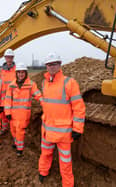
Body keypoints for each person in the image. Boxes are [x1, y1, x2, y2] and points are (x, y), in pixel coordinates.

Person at [38, 53, 86, 187]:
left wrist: (77, 128)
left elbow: (79, 107)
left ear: (59, 65)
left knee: (65, 161)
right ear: (46, 67)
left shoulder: (69, 83)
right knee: (45, 153)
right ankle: (43, 172)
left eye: (54, 64)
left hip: (63, 133)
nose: (52, 67)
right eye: (49, 64)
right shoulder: (44, 83)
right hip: (47, 130)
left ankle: (68, 184)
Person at [4, 63, 41, 157]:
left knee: (20, 131)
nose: (21, 74)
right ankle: (16, 143)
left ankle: (19, 149)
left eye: (22, 72)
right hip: (12, 114)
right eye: (19, 72)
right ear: (16, 73)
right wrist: (7, 112)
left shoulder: (31, 84)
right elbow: (7, 100)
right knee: (13, 130)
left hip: (23, 115)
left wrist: (44, 102)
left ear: (26, 73)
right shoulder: (11, 86)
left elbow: (38, 95)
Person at [0, 49, 16, 133]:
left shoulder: (17, 69)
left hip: (14, 96)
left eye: (11, 57)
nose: (9, 59)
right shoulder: (1, 71)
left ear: (13, 58)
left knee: (13, 112)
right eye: (8, 57)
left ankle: (13, 128)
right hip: (3, 96)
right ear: (5, 58)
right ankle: (5, 128)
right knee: (3, 113)